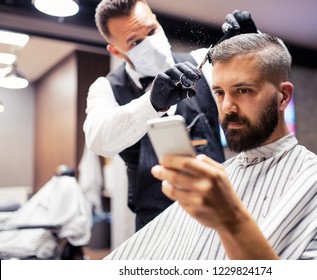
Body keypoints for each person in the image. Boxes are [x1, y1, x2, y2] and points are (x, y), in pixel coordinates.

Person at [104, 32, 317, 260]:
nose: (227, 107)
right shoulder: (222, 175)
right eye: (219, 93)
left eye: (243, 90)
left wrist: (230, 219)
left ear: (283, 96)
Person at [83, 0, 258, 231]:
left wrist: (254, 47)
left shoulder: (202, 62)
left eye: (152, 31)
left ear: (157, 21)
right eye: (135, 42)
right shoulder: (106, 88)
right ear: (116, 50)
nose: (150, 44)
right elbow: (98, 141)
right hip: (154, 225)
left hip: (218, 210)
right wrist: (151, 103)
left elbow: (256, 91)